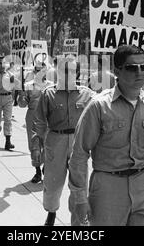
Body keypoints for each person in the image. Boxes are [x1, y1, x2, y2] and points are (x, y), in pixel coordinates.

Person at [68, 45, 144, 226]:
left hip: (143, 187)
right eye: (132, 68)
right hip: (108, 188)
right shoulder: (98, 106)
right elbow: (79, 153)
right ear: (117, 71)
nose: (140, 72)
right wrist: (79, 198)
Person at [31, 59, 97, 226]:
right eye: (64, 71)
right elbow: (39, 122)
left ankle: (78, 220)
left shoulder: (87, 94)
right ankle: (51, 212)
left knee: (79, 183)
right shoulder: (48, 94)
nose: (68, 75)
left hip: (78, 142)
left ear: (78, 74)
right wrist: (36, 146)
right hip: (55, 141)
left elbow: (101, 113)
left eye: (72, 71)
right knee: (53, 183)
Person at [18, 62, 52, 184]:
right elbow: (22, 105)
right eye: (38, 71)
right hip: (32, 117)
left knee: (48, 144)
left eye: (43, 70)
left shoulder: (51, 86)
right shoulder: (28, 86)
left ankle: (46, 167)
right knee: (34, 145)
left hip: (48, 118)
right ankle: (37, 171)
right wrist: (21, 95)